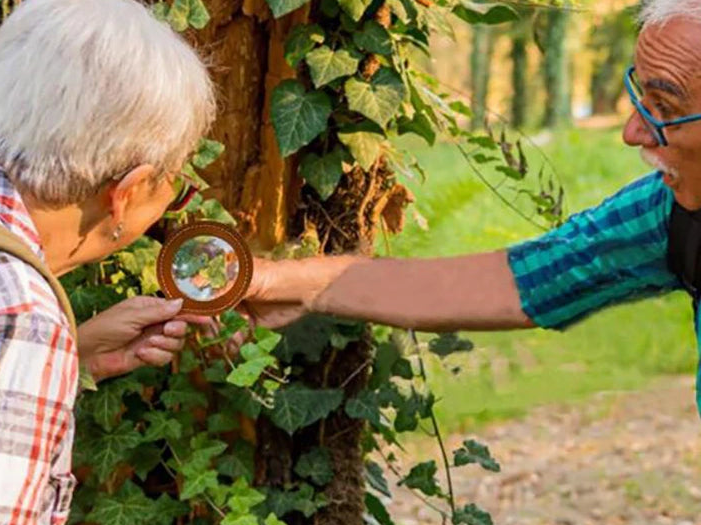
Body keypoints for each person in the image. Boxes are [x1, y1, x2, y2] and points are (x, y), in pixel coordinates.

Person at [244, 0, 701, 415]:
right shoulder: (665, 215)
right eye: (642, 97)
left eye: (664, 107)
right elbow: (513, 281)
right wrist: (279, 282)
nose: (632, 132)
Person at [0, 0, 215, 525]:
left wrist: (75, 352)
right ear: (127, 193)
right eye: (176, 183)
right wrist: (33, 349)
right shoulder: (12, 322)